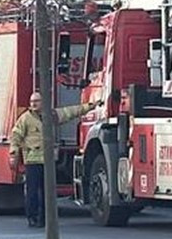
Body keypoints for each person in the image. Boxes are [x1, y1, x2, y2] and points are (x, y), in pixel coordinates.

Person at [9, 92, 102, 228]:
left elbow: (69, 112)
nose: (33, 104)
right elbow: (15, 136)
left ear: (43, 102)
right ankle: (32, 217)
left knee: (47, 192)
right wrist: (13, 154)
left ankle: (44, 218)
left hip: (47, 162)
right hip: (32, 162)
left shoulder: (50, 115)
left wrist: (90, 106)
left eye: (36, 101)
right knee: (32, 192)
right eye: (32, 101)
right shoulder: (25, 119)